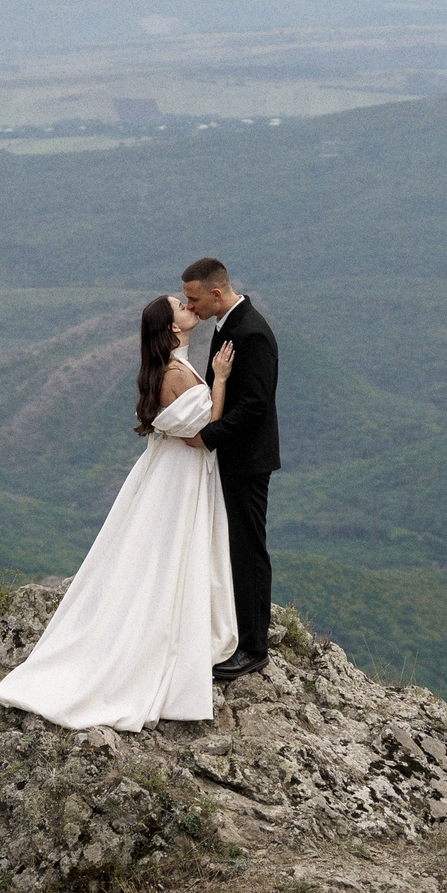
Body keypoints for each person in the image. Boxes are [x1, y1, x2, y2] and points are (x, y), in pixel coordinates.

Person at [0, 293, 241, 731]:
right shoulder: (174, 374)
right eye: (180, 306)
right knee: (168, 554)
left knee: (164, 553)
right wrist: (220, 380)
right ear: (173, 328)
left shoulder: (173, 367)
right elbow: (202, 434)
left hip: (173, 470)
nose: (188, 306)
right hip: (179, 474)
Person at [179, 257, 279, 680]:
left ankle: (254, 648)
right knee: (231, 546)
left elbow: (255, 403)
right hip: (232, 458)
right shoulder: (227, 325)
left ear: (216, 294)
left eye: (194, 298)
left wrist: (209, 435)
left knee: (248, 549)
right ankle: (235, 632)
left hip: (247, 461)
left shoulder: (251, 332)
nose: (190, 306)